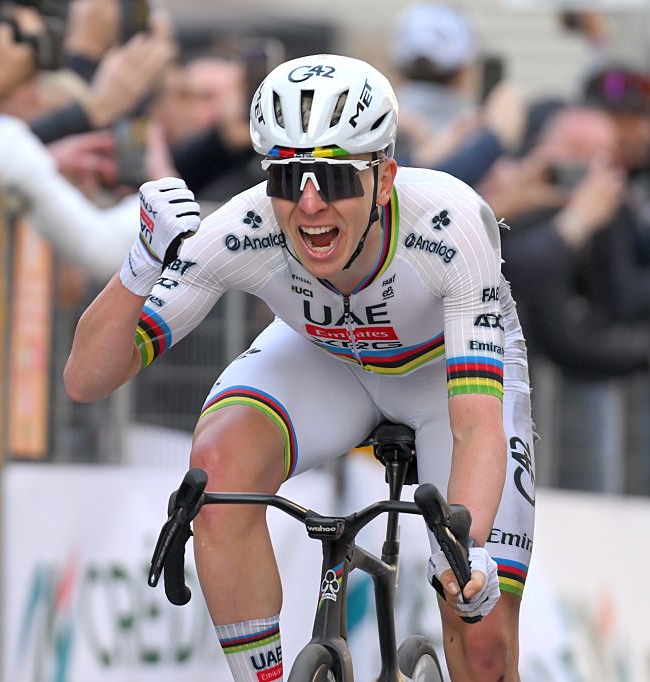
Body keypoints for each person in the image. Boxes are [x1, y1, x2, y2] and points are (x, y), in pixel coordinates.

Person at [65, 54, 534, 681]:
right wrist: (139, 267)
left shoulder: (449, 224)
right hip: (326, 359)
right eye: (287, 179)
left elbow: (477, 424)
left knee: (482, 640)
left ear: (385, 176)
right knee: (218, 469)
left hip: (442, 375)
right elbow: (87, 379)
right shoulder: (244, 227)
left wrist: (465, 548)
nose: (309, 207)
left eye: (335, 180)